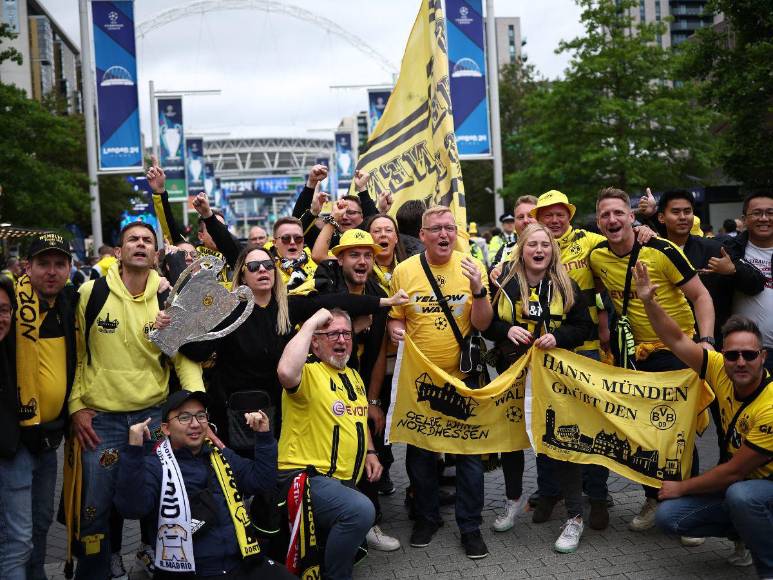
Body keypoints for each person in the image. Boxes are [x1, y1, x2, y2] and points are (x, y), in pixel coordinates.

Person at [68, 222, 205, 579]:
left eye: (147, 240)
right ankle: (97, 569)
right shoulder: (89, 293)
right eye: (133, 240)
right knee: (95, 507)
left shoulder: (167, 299)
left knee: (159, 500)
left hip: (151, 419)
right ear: (119, 251)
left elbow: (183, 358)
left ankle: (155, 563)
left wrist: (195, 407)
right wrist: (76, 406)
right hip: (103, 423)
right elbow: (78, 357)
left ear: (156, 254)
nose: (141, 244)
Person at [588, 187, 715, 536]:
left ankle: (691, 512)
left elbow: (701, 296)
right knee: (642, 435)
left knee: (679, 434)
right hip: (634, 357)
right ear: (598, 223)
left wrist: (705, 343)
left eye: (618, 213)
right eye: (605, 215)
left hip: (677, 352)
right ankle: (654, 498)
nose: (612, 220)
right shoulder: (597, 256)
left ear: (631, 216)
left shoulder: (661, 251)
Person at [634, 264, 772, 576]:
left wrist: (682, 486)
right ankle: (745, 533)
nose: (740, 362)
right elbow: (675, 338)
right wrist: (648, 301)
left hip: (760, 487)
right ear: (723, 354)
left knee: (740, 495)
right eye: (733, 354)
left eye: (749, 355)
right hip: (743, 485)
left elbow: (735, 471)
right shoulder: (718, 368)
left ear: (763, 356)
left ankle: (768, 568)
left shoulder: (770, 404)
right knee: (670, 517)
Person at [388, 206, 493, 558]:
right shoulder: (404, 271)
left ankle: (470, 526)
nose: (444, 234)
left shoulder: (471, 266)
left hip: (464, 381)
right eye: (436, 229)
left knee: (469, 457)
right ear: (422, 236)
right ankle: (427, 517)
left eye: (450, 228)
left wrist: (478, 290)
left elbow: (482, 324)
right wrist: (396, 330)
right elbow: (394, 319)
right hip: (420, 384)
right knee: (420, 453)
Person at [484, 223, 593, 552]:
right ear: (522, 249)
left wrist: (557, 337)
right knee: (511, 442)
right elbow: (485, 322)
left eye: (545, 244)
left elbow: (584, 326)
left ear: (553, 249)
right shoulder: (504, 284)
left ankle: (575, 517)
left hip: (554, 381)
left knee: (562, 444)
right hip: (512, 374)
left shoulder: (565, 284)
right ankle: (512, 500)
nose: (539, 249)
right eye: (532, 244)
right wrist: (506, 331)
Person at [114, 390, 294, 579]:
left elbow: (262, 482)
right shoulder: (155, 465)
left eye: (201, 416)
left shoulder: (221, 456)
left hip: (242, 562)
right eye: (184, 417)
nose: (195, 424)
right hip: (192, 571)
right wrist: (133, 450)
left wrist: (264, 436)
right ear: (166, 428)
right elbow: (131, 508)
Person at [276, 308, 382, 580]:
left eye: (346, 333)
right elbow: (286, 371)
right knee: (360, 511)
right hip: (305, 478)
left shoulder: (353, 376)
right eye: (332, 333)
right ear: (315, 341)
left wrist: (370, 451)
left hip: (342, 480)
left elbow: (356, 419)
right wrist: (310, 322)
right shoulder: (308, 373)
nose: (342, 339)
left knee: (356, 523)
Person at [0, 234, 78, 580]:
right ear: (26, 267)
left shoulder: (68, 306)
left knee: (40, 527)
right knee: (17, 539)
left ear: (69, 269)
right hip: (14, 442)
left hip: (49, 441)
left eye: (59, 264)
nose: (51, 272)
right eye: (43, 264)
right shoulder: (10, 309)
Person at [654, 190, 765, 347]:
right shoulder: (651, 251)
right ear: (661, 217)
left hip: (712, 343)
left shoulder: (715, 249)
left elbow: (758, 282)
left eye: (687, 211)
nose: (683, 217)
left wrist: (733, 270)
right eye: (675, 212)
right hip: (664, 343)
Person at [724, 192, 773, 373]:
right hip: (744, 355)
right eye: (757, 213)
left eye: (770, 213)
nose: (764, 218)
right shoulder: (729, 250)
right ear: (744, 219)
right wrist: (650, 220)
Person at [269, 217, 317, 290]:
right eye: (285, 238)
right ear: (274, 242)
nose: (292, 242)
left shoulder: (317, 259)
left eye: (298, 238)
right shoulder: (267, 269)